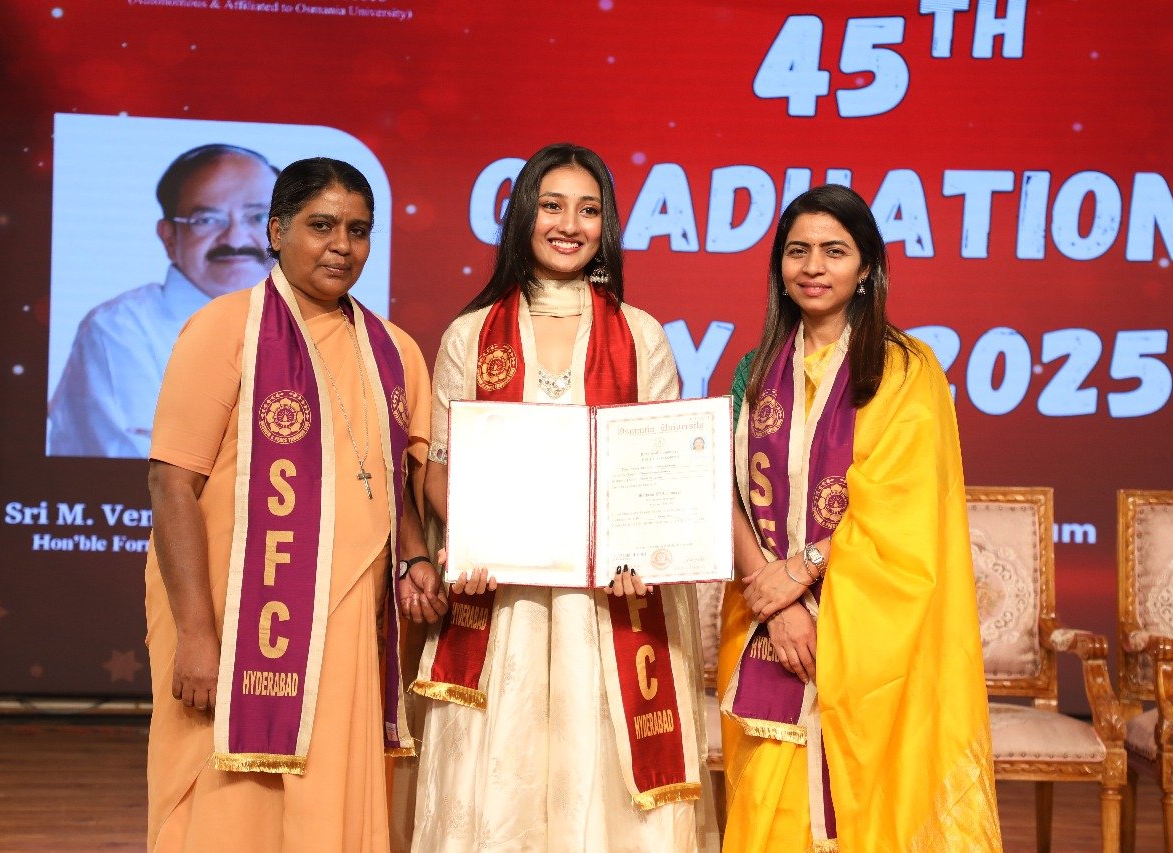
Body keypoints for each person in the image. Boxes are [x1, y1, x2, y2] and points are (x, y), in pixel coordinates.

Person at [408, 143, 719, 852]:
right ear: (524, 214)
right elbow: (440, 466)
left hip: (608, 600)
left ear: (607, 226)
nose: (569, 225)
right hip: (501, 599)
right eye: (552, 206)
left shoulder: (639, 334)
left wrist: (644, 550)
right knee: (503, 771)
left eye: (588, 210)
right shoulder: (470, 334)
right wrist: (474, 537)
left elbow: (660, 471)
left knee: (597, 773)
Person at [144, 157, 445, 851]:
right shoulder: (225, 329)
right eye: (322, 226)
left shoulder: (395, 351)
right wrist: (198, 635)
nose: (342, 245)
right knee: (232, 807)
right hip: (238, 621)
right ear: (277, 232)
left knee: (332, 800)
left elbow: (394, 482)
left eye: (358, 230)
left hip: (351, 628)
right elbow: (171, 483)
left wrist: (415, 557)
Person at [717, 184, 1001, 851]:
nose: (813, 266)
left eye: (834, 251)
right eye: (797, 251)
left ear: (866, 265)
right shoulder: (754, 371)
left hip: (869, 638)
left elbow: (903, 513)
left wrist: (803, 572)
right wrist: (774, 600)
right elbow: (720, 489)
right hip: (765, 624)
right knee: (769, 808)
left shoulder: (905, 371)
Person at [48, 143, 278, 458]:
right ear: (169, 237)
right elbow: (141, 471)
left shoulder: (317, 325)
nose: (235, 239)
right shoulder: (118, 331)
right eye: (206, 220)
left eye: (258, 217)